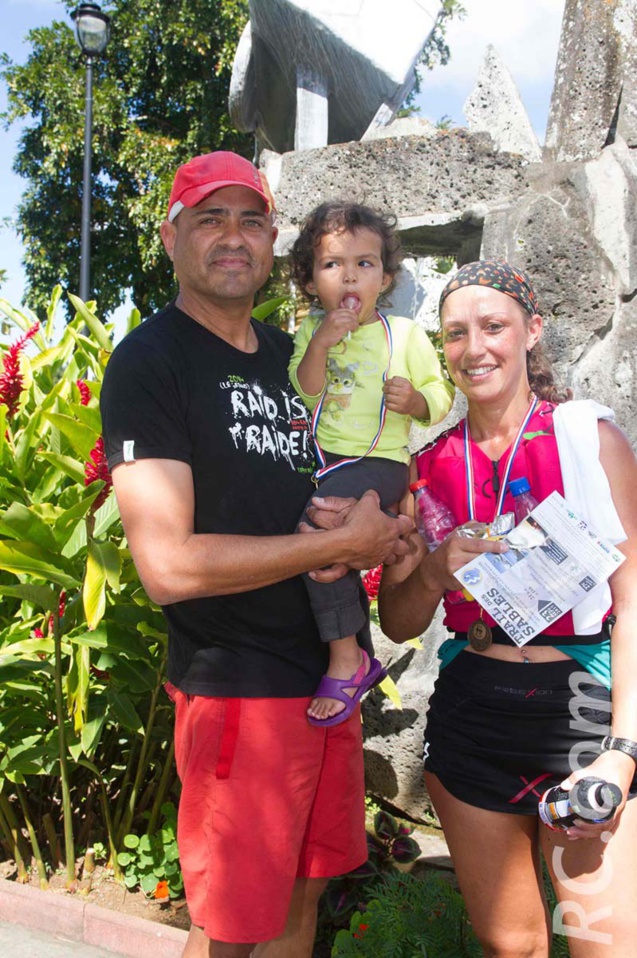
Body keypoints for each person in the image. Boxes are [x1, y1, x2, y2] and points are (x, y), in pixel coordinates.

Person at [100, 151, 412, 958]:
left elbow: (357, 455)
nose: (232, 237)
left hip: (326, 682)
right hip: (239, 689)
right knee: (232, 931)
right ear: (172, 239)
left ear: (274, 241)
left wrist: (380, 522)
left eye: (250, 219)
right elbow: (166, 565)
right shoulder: (151, 360)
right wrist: (345, 542)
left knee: (303, 906)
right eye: (209, 218)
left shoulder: (293, 355)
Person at [377, 261, 637, 958]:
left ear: (531, 332)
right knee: (510, 947)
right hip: (473, 716)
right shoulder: (424, 467)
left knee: (603, 944)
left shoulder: (587, 440)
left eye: (493, 326)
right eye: (456, 333)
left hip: (581, 708)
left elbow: (634, 600)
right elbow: (398, 621)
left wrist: (621, 751)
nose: (474, 348)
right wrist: (435, 567)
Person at [288, 202, 454, 725]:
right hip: (328, 463)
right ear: (312, 282)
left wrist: (416, 402)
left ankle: (348, 658)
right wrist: (320, 342)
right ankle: (351, 644)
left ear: (384, 277)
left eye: (365, 263)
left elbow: (441, 393)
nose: (350, 275)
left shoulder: (403, 334)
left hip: (381, 462)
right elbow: (304, 388)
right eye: (333, 265)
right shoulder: (311, 331)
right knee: (310, 535)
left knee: (320, 531)